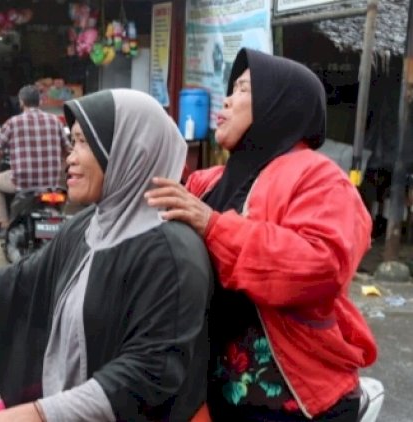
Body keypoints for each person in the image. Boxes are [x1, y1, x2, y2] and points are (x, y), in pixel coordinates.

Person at [0, 89, 214, 421]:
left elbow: (147, 372)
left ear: (132, 151)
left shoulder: (171, 255)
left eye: (84, 143)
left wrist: (37, 413)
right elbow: (23, 278)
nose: (70, 159)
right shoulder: (88, 225)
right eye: (72, 143)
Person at [145, 48, 378, 421]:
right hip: (210, 395)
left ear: (279, 104)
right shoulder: (209, 182)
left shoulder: (319, 177)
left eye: (243, 89)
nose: (226, 99)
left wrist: (214, 227)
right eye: (231, 89)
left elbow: (320, 266)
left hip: (292, 403)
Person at [0, 84, 71, 238]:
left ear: (21, 102)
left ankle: (3, 225)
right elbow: (67, 150)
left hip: (22, 182)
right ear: (40, 101)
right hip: (50, 183)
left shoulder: (14, 122)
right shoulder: (55, 121)